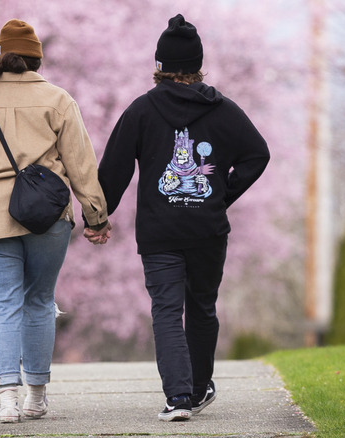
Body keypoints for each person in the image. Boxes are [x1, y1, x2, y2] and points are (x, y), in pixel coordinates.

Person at [86, 14, 270, 421]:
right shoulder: (223, 110)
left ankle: (179, 399)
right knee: (202, 307)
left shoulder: (141, 111)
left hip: (159, 231)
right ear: (198, 64)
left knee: (167, 311)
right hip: (207, 229)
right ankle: (200, 389)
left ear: (160, 65)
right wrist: (222, 195)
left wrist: (98, 217)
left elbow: (114, 169)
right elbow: (258, 154)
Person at [0, 19, 111, 423]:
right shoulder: (58, 100)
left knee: (0, 304)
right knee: (39, 301)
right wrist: (96, 216)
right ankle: (36, 396)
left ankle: (6, 401)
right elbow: (81, 165)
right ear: (37, 58)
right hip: (46, 216)